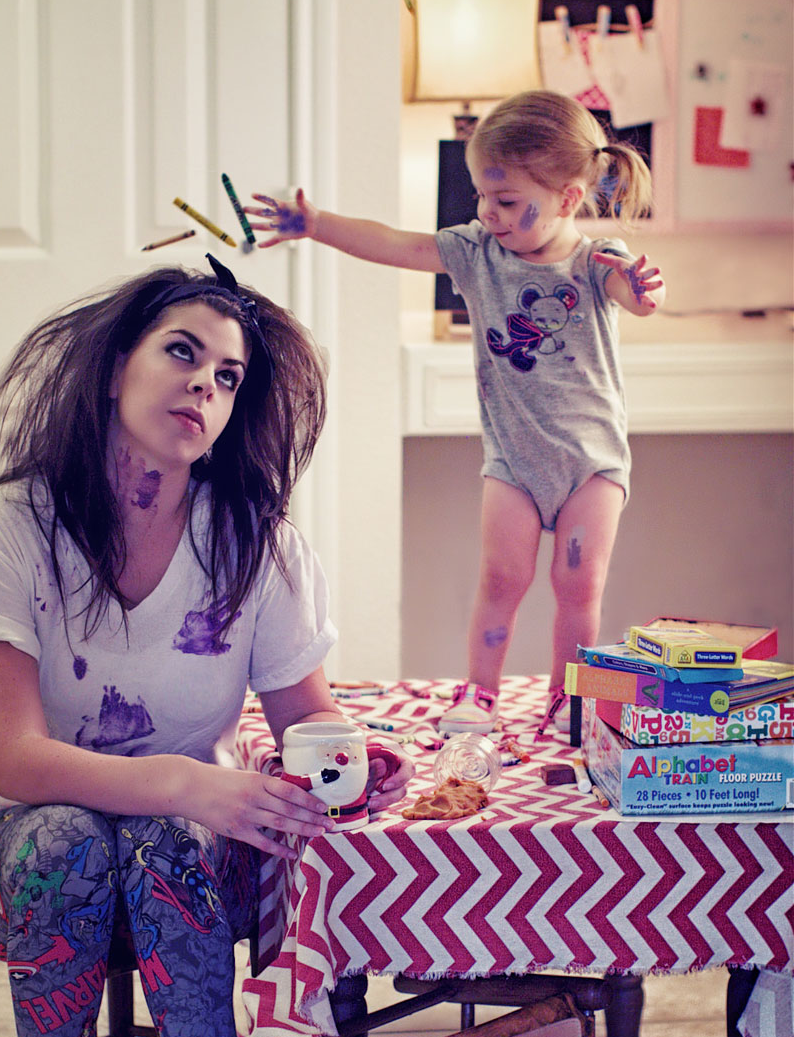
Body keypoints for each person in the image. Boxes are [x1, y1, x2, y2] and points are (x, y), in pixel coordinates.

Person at [0, 257, 412, 1037]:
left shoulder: (256, 542)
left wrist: (350, 758)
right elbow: (15, 759)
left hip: (181, 862)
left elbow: (305, 717)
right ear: (117, 365)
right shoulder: (10, 526)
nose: (205, 384)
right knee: (73, 840)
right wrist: (191, 782)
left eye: (228, 376)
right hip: (16, 855)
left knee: (160, 843)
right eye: (183, 353)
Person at [248, 90, 666, 737]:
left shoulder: (596, 260)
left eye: (506, 201)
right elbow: (397, 245)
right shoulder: (477, 254)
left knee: (579, 586)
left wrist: (643, 290)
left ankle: (569, 699)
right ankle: (480, 694)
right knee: (501, 580)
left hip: (592, 465)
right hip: (513, 462)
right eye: (481, 196)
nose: (487, 212)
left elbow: (634, 296)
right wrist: (316, 223)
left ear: (567, 199)